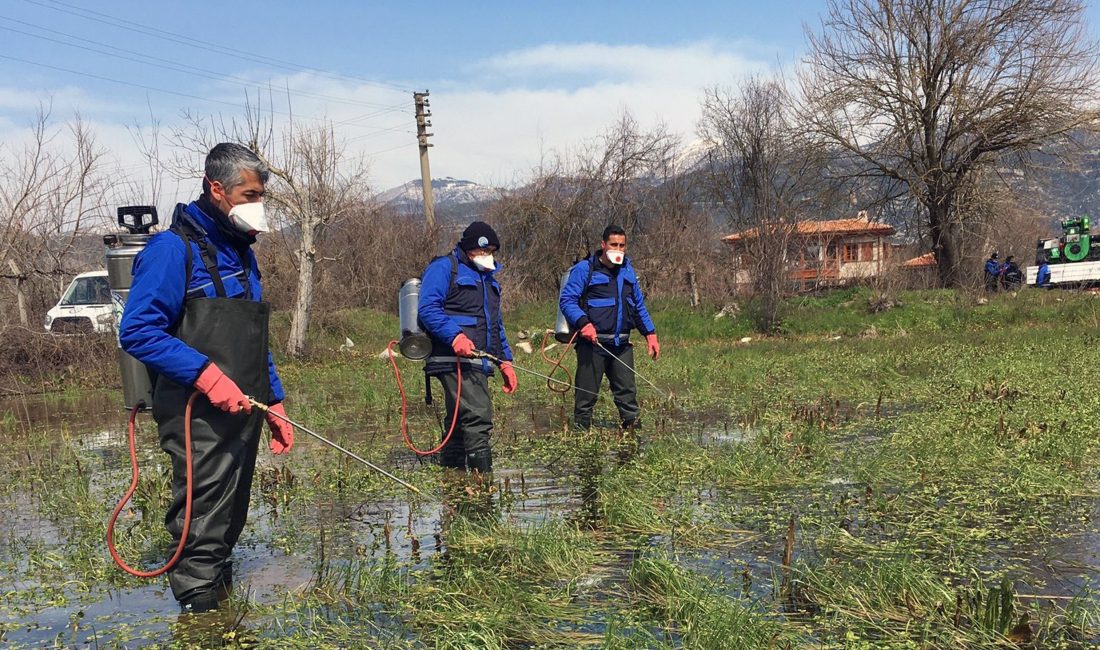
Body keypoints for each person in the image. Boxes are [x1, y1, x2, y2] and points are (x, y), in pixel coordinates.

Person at [119, 143, 294, 614]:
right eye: (248, 193)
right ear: (216, 188)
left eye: (261, 195)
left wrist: (272, 399)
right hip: (196, 410)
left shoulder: (241, 253)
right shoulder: (170, 249)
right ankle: (200, 618)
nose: (257, 204)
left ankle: (220, 597)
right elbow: (137, 331)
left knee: (230, 512)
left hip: (244, 407)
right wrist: (208, 377)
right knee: (202, 514)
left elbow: (254, 336)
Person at [417, 221, 517, 475]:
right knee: (478, 417)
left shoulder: (489, 279)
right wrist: (455, 337)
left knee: (459, 421)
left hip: (478, 361)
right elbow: (427, 309)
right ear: (467, 248)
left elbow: (495, 325)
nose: (486, 256)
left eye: (491, 251)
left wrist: (504, 361)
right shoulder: (443, 269)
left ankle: (454, 482)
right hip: (451, 358)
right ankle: (482, 489)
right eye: (481, 251)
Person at [559, 224, 659, 431]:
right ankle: (581, 442)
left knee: (628, 398)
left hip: (621, 346)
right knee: (586, 399)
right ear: (603, 244)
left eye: (622, 245)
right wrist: (583, 323)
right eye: (614, 244)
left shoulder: (628, 271)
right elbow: (567, 300)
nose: (618, 249)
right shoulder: (585, 270)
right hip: (593, 345)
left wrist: (650, 334)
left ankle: (633, 441)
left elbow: (638, 306)